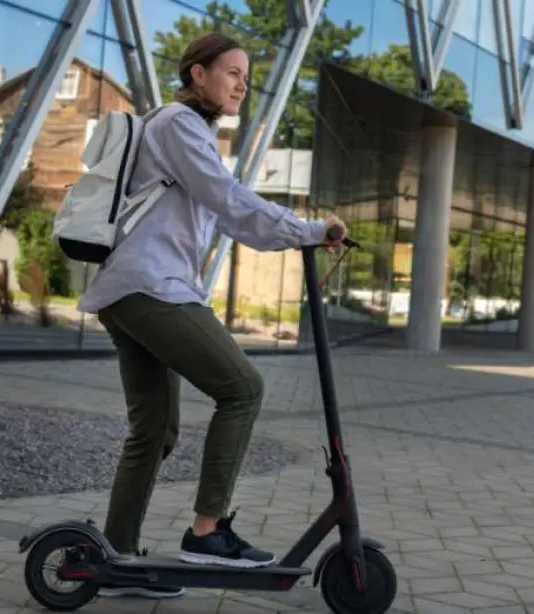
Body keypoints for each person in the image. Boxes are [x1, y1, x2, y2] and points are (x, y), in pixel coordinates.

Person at [76, 31, 348, 600]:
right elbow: (228, 198)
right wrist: (309, 230)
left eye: (247, 77)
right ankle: (207, 531)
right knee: (243, 388)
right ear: (197, 73)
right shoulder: (178, 125)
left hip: (129, 290)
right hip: (152, 288)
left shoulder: (183, 133)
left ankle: (115, 558)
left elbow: (225, 212)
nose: (242, 84)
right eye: (232, 72)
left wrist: (297, 233)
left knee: (153, 430)